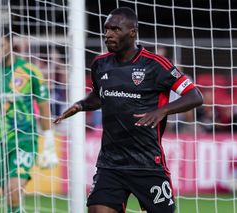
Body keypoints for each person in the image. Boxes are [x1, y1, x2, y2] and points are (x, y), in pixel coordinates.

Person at [54, 7, 203, 213]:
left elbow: (195, 96)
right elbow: (99, 96)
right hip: (110, 163)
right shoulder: (100, 64)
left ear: (132, 32)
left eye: (115, 29)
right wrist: (81, 105)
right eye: (106, 29)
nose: (108, 34)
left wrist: (162, 111)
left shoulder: (155, 64)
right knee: (97, 210)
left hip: (147, 163)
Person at [0, 26, 58, 213]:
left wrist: (49, 141)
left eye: (0, 45)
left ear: (11, 44)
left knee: (13, 190)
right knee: (9, 198)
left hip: (24, 139)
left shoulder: (30, 71)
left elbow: (43, 107)